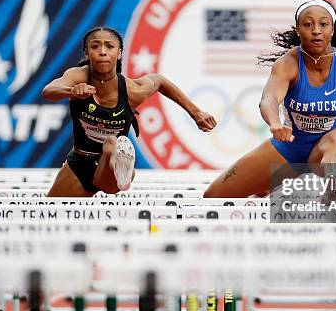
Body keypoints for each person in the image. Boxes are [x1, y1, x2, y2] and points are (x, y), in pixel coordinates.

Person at [203, 0, 336, 198]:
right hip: (292, 145)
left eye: (323, 24)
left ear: (332, 29)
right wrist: (275, 123)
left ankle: (332, 193)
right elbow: (268, 99)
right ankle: (270, 184)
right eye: (308, 24)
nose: (316, 30)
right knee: (214, 196)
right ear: (298, 29)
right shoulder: (287, 64)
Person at [43, 26, 217, 197]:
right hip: (80, 163)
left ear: (119, 54)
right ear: (87, 53)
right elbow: (49, 91)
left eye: (109, 46)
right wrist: (71, 91)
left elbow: (159, 81)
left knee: (111, 144)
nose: (102, 51)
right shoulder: (78, 76)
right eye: (95, 46)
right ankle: (115, 159)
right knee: (48, 217)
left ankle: (118, 162)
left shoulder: (132, 90)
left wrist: (196, 112)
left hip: (112, 169)